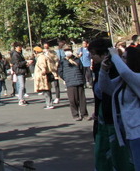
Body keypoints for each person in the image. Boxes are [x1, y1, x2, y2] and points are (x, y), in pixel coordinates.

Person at [92, 39, 133, 171]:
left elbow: (107, 89)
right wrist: (103, 70)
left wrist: (115, 58)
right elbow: (104, 89)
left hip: (119, 119)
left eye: (93, 53)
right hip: (105, 116)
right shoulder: (101, 67)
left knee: (121, 156)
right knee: (104, 154)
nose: (91, 57)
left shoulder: (125, 73)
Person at [107, 45, 140, 169]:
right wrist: (104, 70)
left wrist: (115, 56)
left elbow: (125, 72)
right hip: (129, 131)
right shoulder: (123, 80)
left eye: (125, 58)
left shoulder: (136, 78)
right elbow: (106, 87)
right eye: (122, 58)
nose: (123, 61)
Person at [59, 44, 88, 121]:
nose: (67, 52)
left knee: (82, 99)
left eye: (69, 50)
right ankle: (75, 115)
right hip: (70, 82)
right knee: (72, 100)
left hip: (79, 81)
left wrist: (82, 79)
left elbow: (82, 70)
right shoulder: (62, 61)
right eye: (66, 50)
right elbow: (60, 72)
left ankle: (84, 114)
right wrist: (66, 78)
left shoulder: (77, 59)